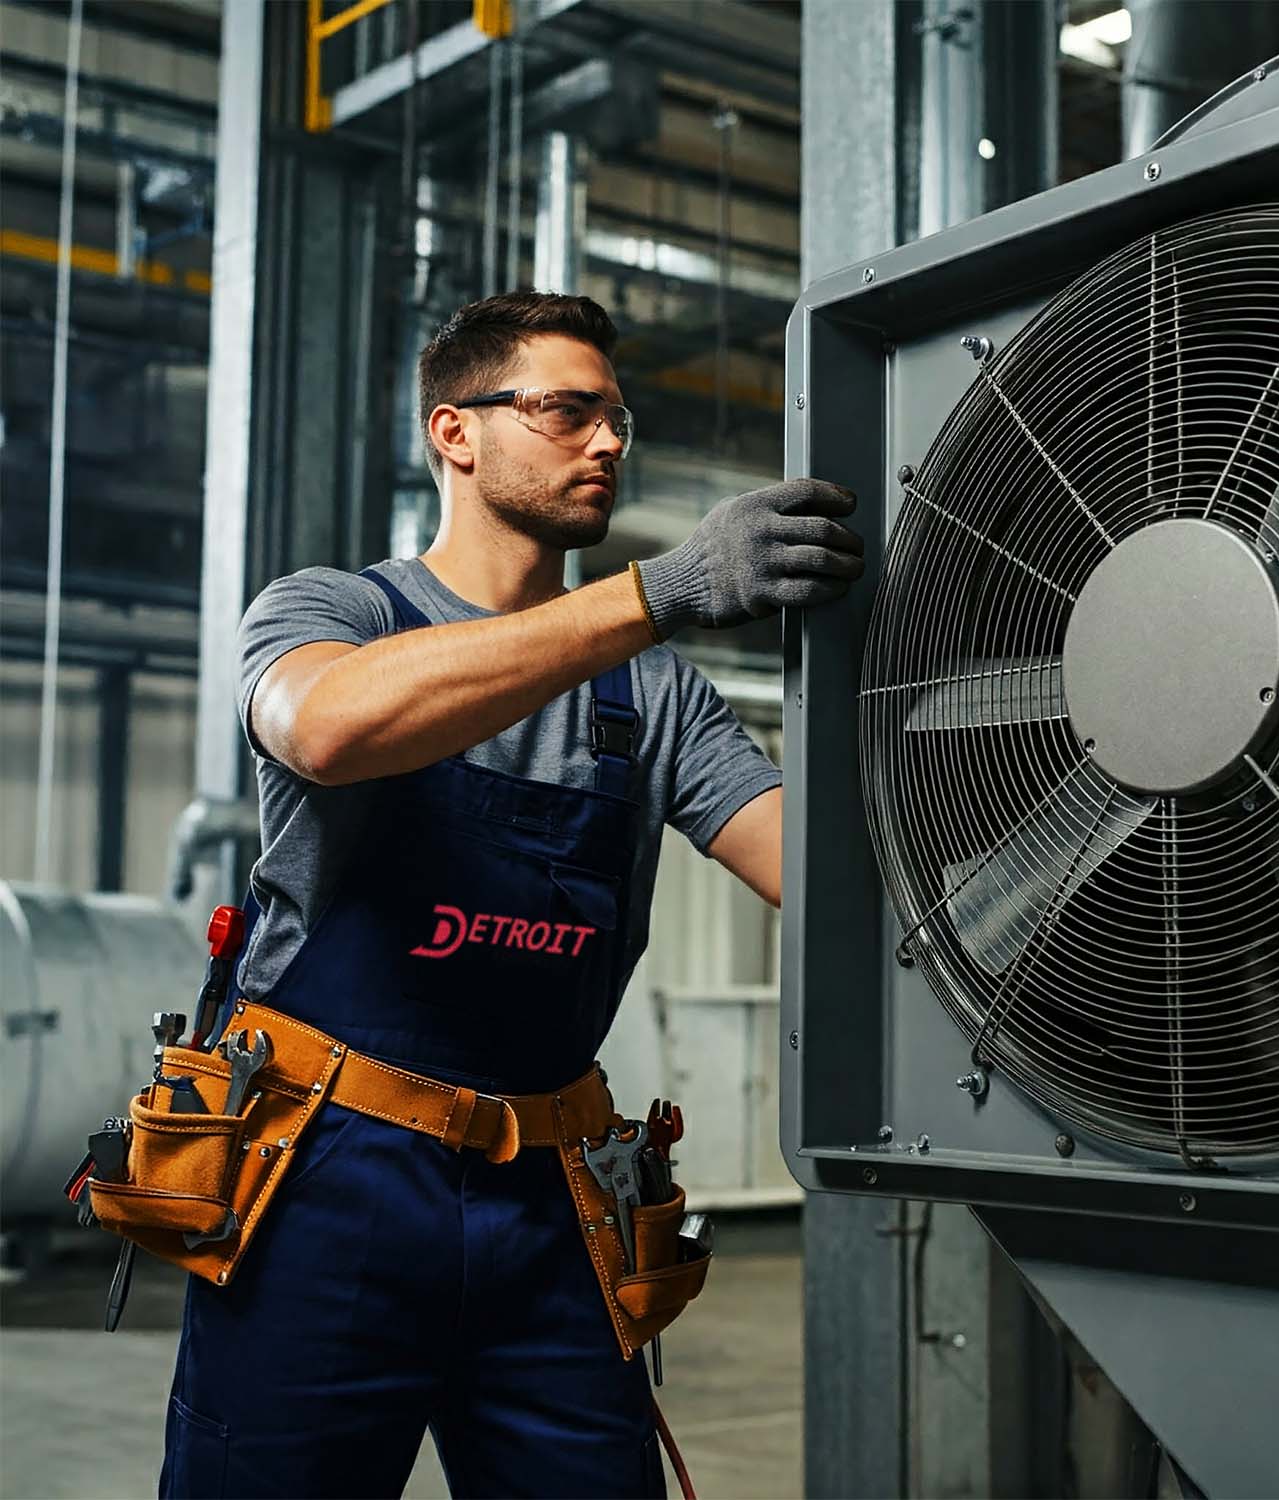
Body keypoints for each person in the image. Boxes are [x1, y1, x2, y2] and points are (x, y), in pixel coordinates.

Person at [158, 290, 864, 1498]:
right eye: (566, 411)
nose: (605, 443)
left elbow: (821, 875)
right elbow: (327, 730)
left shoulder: (651, 698)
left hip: (550, 1201)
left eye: (616, 420)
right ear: (456, 433)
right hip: (326, 1179)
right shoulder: (332, 612)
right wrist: (652, 595)